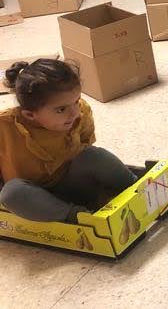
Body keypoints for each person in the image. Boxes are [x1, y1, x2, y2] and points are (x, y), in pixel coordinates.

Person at [0, 59, 138, 223]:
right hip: (38, 201)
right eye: (61, 109)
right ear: (30, 115)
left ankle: (138, 187)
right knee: (12, 193)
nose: (74, 113)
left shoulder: (80, 113)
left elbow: (86, 146)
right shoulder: (5, 125)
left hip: (73, 185)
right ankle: (81, 218)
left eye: (76, 101)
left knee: (93, 155)